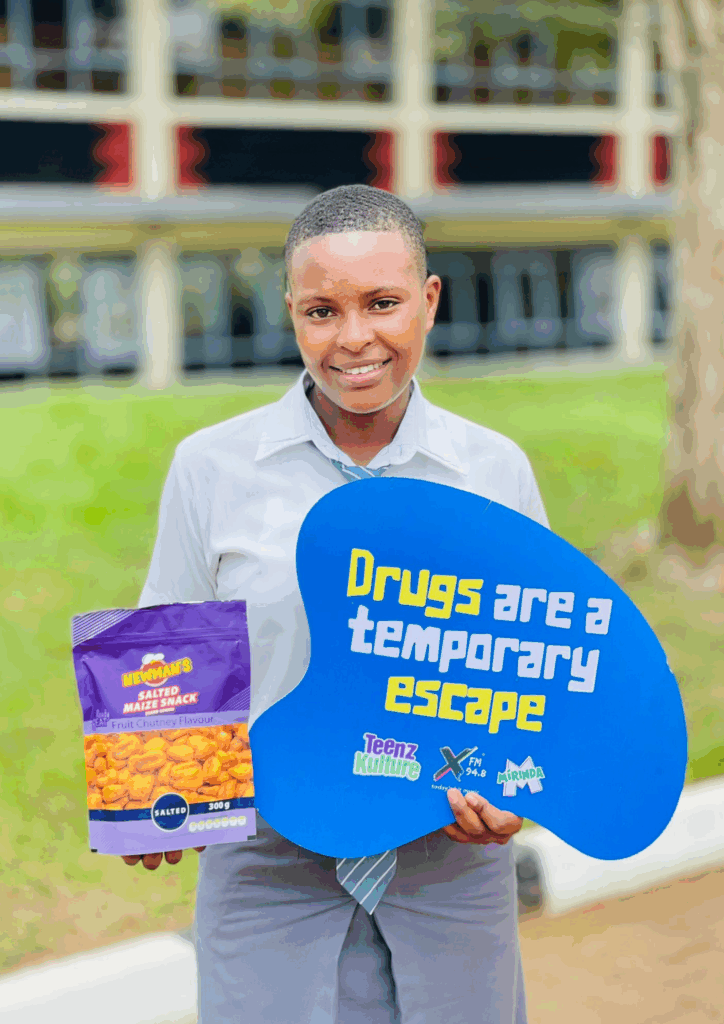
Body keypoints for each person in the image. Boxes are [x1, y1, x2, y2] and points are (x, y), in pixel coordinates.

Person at [125, 184, 549, 1024]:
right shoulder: (212, 467)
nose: (353, 338)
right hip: (267, 858)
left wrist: (517, 790)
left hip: (448, 857)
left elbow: (535, 672)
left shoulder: (493, 471)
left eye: (382, 303)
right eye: (322, 311)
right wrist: (153, 792)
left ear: (428, 302)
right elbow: (167, 642)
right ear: (291, 313)